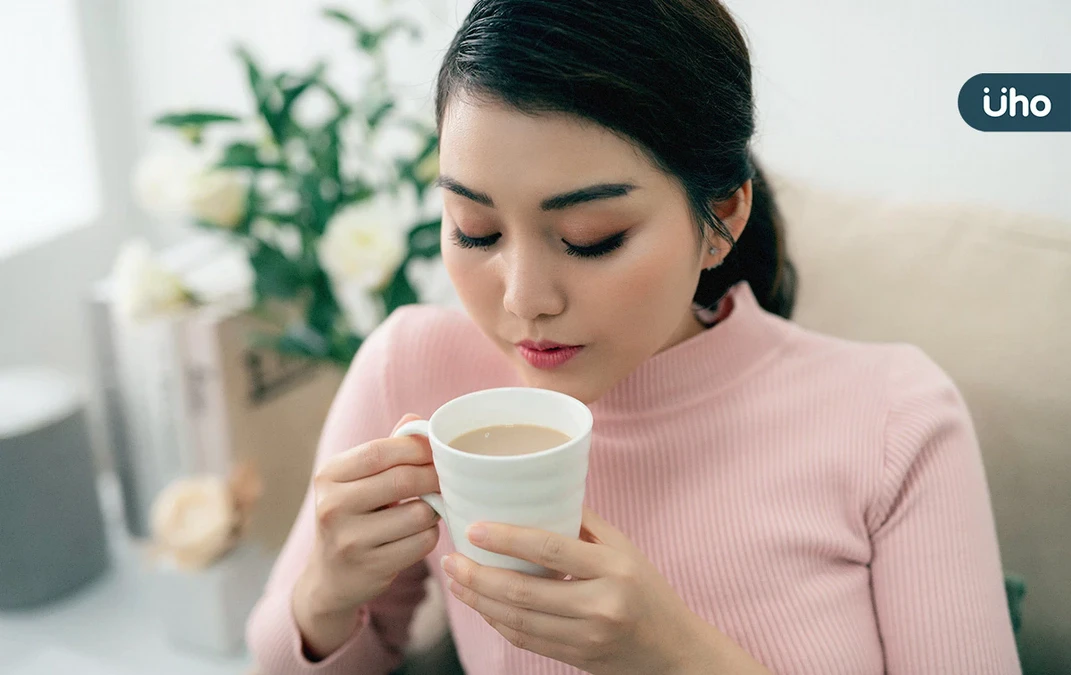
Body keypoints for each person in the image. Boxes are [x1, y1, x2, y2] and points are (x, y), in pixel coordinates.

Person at [245, 1, 1021, 673]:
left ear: (723, 218)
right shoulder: (414, 371)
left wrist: (671, 655)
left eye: (590, 237)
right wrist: (322, 595)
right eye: (474, 229)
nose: (524, 300)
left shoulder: (894, 418)